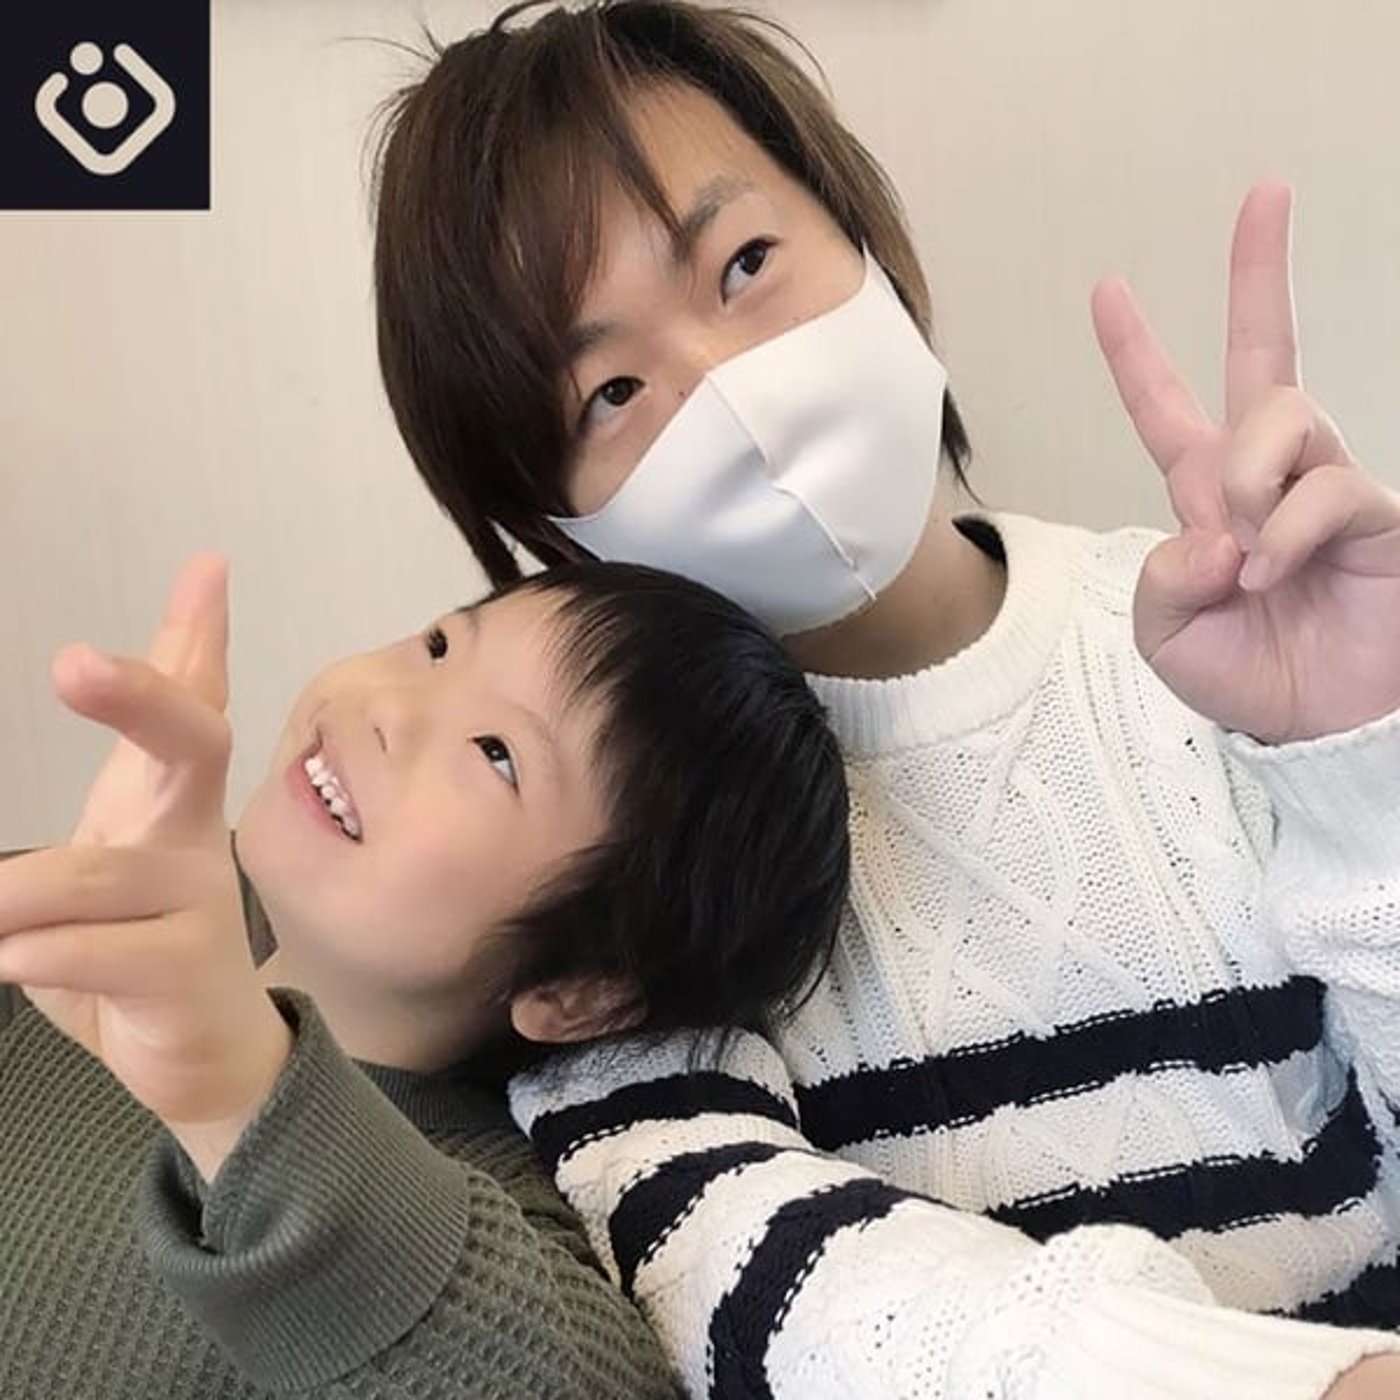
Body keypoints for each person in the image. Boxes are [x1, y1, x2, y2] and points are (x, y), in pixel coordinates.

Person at [367, 2, 1400, 1395]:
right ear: (551, 528)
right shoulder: (621, 866)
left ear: (869, 243)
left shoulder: (1233, 640)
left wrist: (1356, 759)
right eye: (609, 390)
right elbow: (769, 1289)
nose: (729, 390)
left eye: (743, 264)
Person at [0, 550, 849, 1398]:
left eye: (496, 754)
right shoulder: (143, 912)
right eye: (439, 646)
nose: (390, 708)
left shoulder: (483, 1231)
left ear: (581, 994)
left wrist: (236, 1093)